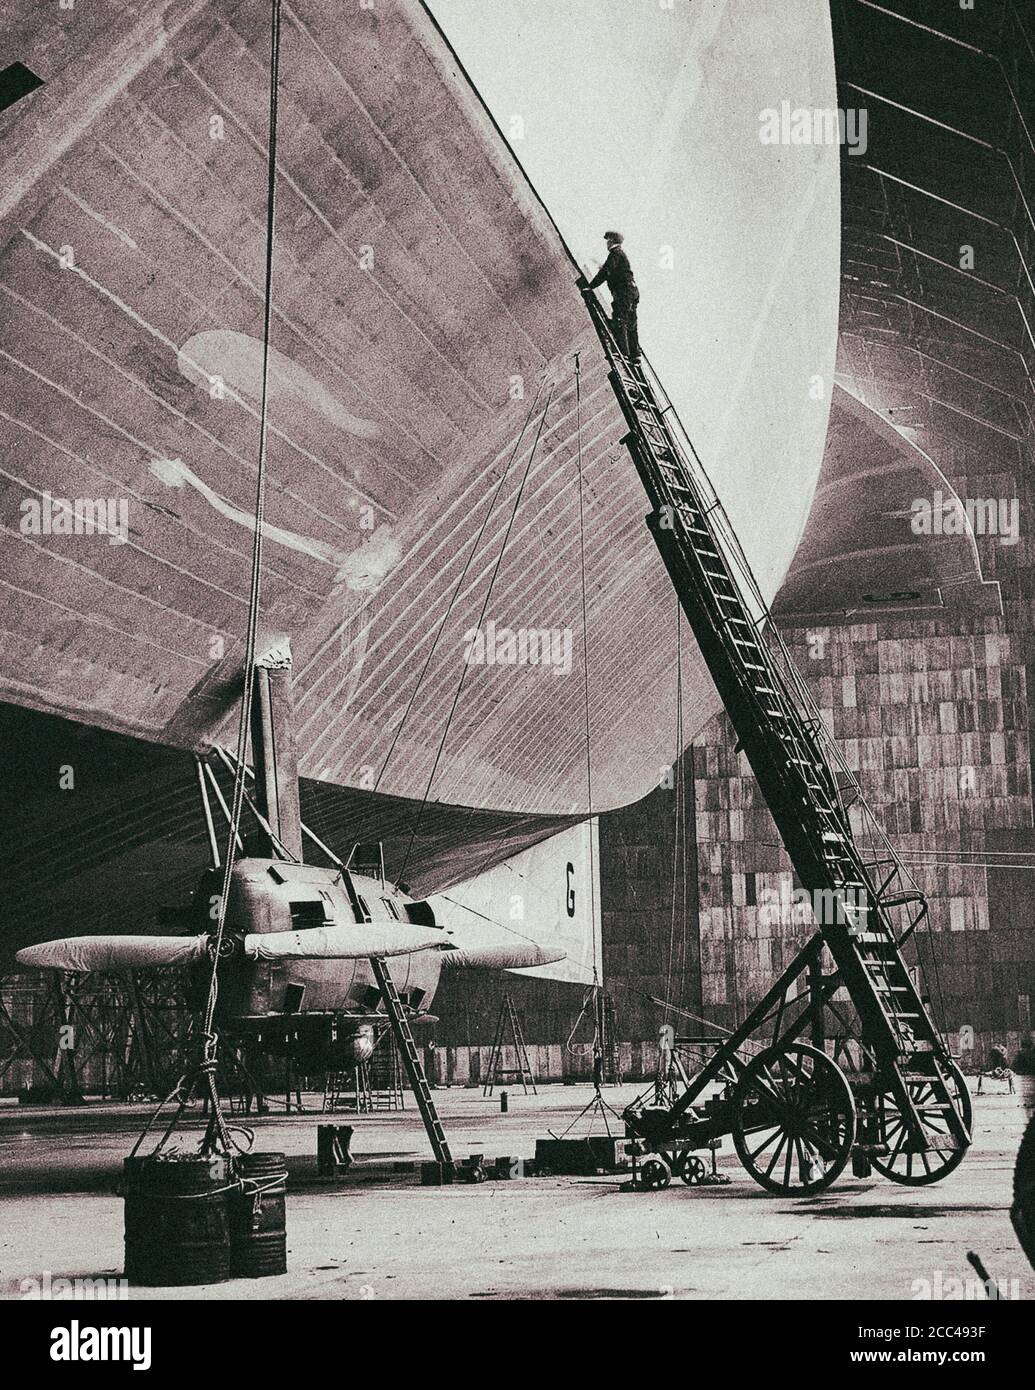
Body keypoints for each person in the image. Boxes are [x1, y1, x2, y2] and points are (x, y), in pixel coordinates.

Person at [585, 230, 641, 360]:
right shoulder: (621, 254)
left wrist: (591, 286)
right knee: (631, 322)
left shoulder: (615, 253)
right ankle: (635, 354)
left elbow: (607, 272)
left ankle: (623, 352)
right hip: (633, 292)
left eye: (608, 241)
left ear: (611, 241)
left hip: (624, 293)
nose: (607, 244)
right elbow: (614, 271)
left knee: (620, 319)